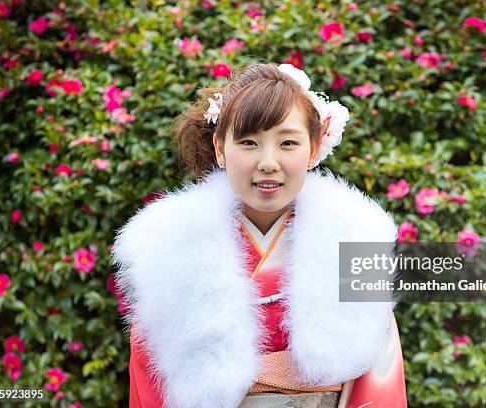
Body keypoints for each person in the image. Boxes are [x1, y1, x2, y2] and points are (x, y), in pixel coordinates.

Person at [112, 62, 407, 408]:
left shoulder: (352, 239)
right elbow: (151, 379)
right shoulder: (171, 251)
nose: (268, 162)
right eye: (249, 142)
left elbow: (379, 377)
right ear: (221, 148)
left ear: (312, 150)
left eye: (287, 143)